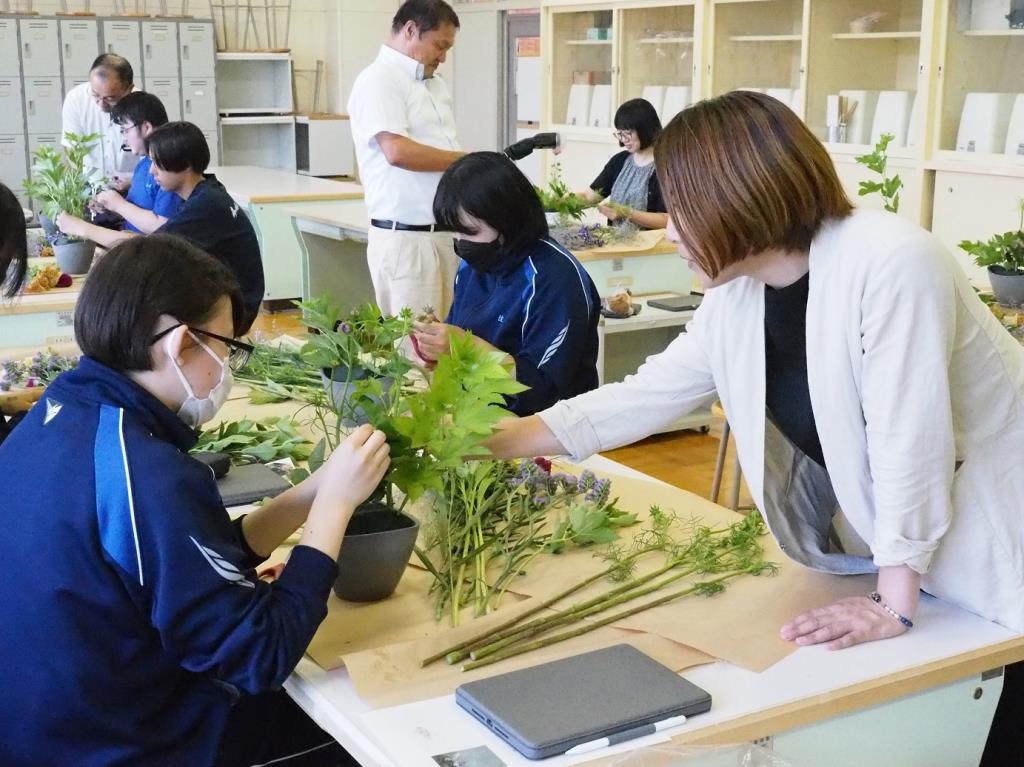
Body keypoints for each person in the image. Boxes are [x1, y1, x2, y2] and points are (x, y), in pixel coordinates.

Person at [485, 91, 1024, 655]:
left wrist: (893, 602)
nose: (670, 232)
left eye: (682, 211)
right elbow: (648, 395)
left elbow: (909, 440)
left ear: (738, 198)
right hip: (911, 559)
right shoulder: (741, 291)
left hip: (990, 542)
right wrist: (494, 440)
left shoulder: (892, 262)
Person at [0, 234, 387, 766]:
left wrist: (312, 492)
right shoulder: (148, 473)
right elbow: (260, 654)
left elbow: (167, 559)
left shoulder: (53, 416)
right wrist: (335, 510)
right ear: (182, 342)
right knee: (359, 725)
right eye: (227, 347)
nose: (229, 367)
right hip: (121, 745)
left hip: (45, 727)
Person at [413, 152, 600, 416]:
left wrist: (466, 348)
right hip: (480, 418)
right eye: (453, 231)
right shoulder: (473, 265)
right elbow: (459, 334)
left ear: (506, 220)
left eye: (470, 232)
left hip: (547, 430)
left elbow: (543, 389)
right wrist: (438, 347)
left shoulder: (555, 278)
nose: (460, 243)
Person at [56, 122, 265, 331]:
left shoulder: (205, 205)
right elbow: (158, 239)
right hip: (222, 295)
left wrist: (82, 228)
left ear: (185, 164)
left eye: (157, 163)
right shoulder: (205, 192)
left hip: (234, 310)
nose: (152, 171)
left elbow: (143, 249)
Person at [347, 0, 464, 319]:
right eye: (440, 46)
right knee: (416, 357)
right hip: (407, 240)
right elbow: (396, 151)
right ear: (411, 30)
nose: (443, 57)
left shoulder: (435, 85)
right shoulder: (378, 80)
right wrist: (465, 162)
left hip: (444, 234)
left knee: (450, 349)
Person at [92, 91, 183, 233]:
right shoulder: (143, 164)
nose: (124, 138)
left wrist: (118, 205)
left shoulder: (169, 166)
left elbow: (162, 227)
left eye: (125, 130)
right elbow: (136, 213)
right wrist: (108, 204)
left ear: (146, 127)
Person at [577, 98, 668, 230]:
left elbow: (668, 220)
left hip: (650, 247)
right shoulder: (619, 161)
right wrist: (564, 201)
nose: (624, 139)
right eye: (620, 133)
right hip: (618, 243)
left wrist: (626, 213)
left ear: (645, 129)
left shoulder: (665, 167)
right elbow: (589, 197)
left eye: (628, 133)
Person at [61, 53, 137, 186]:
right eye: (95, 94)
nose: (101, 104)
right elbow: (72, 150)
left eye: (110, 98)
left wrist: (130, 185)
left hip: (133, 187)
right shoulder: (76, 99)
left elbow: (151, 159)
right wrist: (79, 193)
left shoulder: (142, 107)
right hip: (91, 187)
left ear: (128, 90)